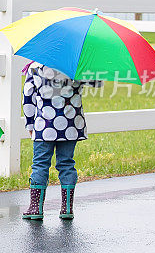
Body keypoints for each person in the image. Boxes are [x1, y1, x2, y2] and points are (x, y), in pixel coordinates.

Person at [21, 62, 102, 220]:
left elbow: (28, 98)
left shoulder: (35, 67)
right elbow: (97, 82)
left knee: (40, 164)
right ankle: (67, 208)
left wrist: (30, 124)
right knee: (66, 163)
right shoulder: (77, 65)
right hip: (71, 125)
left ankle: (35, 208)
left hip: (44, 126)